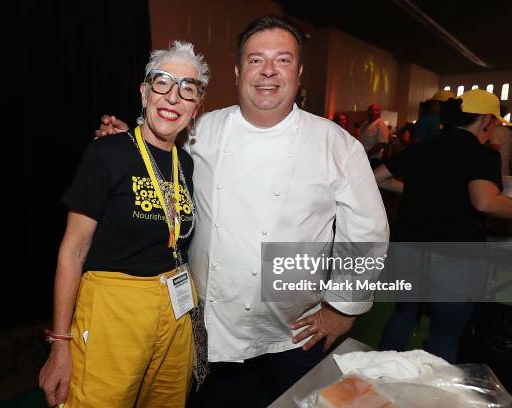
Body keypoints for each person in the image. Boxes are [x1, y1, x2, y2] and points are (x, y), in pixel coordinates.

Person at [97, 15, 388, 406]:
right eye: (256, 60)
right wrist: (125, 143)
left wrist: (343, 309)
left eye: (282, 60)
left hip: (295, 334)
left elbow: (367, 231)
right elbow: (155, 154)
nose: (268, 71)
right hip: (210, 330)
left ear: (298, 72)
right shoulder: (201, 132)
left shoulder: (336, 144)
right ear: (237, 71)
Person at [38, 41, 209, 407]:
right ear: (145, 92)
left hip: (174, 310)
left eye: (188, 89)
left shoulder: (187, 165)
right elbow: (73, 251)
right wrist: (60, 344)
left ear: (196, 107)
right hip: (113, 311)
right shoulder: (107, 154)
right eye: (163, 83)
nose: (173, 97)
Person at [375, 89, 512, 363]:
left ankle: (378, 380)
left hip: (408, 246)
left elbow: (378, 178)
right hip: (455, 254)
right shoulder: (482, 154)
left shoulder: (422, 147)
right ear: (486, 119)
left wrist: (421, 189)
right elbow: (485, 202)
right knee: (444, 335)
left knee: (404, 315)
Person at [359, 103, 390, 168]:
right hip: (362, 156)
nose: (373, 112)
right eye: (371, 110)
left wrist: (368, 154)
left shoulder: (381, 124)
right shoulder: (365, 124)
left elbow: (382, 143)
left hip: (373, 158)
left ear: (380, 113)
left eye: (376, 110)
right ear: (368, 112)